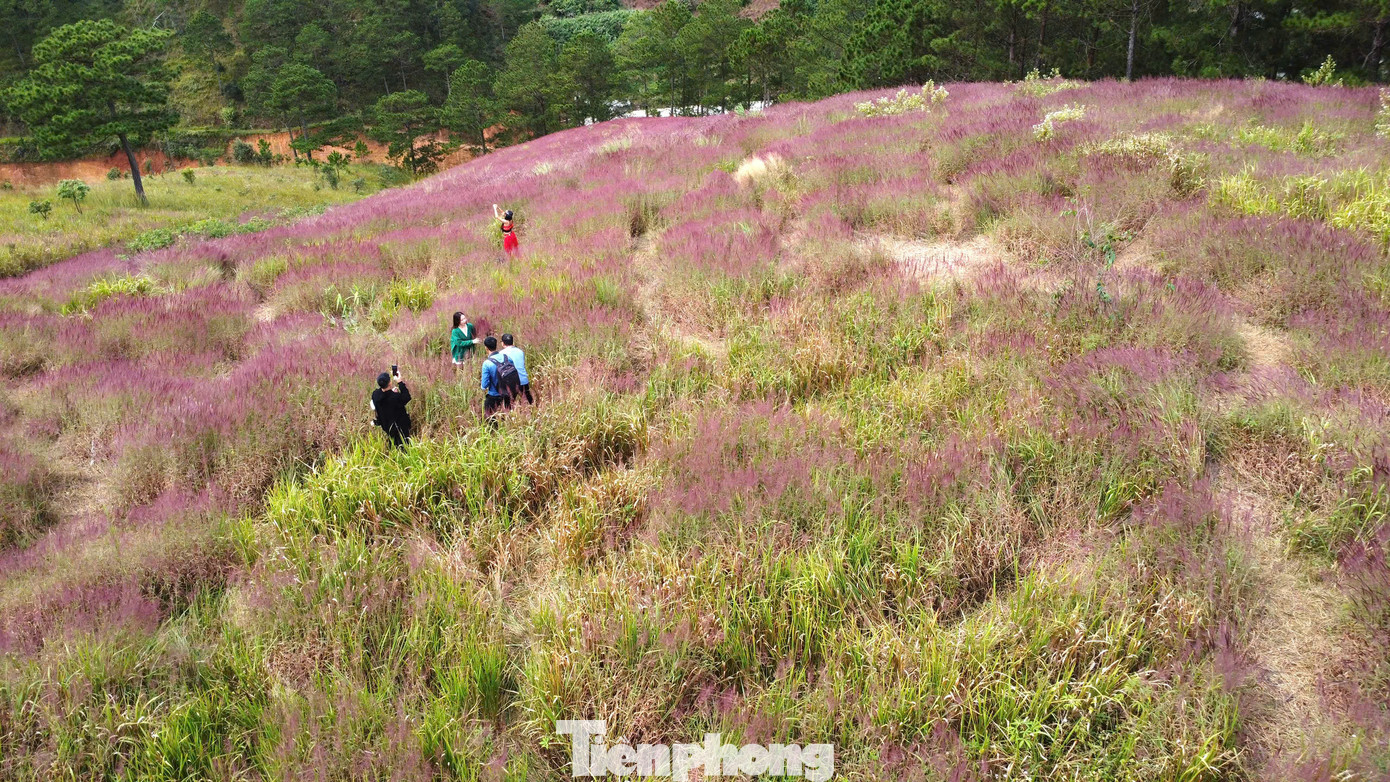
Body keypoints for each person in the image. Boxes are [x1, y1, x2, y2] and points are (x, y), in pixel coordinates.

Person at [479, 336, 518, 428]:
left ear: (486, 348)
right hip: (509, 392)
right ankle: (508, 428)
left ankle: (494, 431)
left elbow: (484, 385)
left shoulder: (487, 363)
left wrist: (483, 388)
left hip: (494, 394)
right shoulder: (507, 357)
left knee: (489, 415)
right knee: (507, 414)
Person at [371, 368, 412, 449]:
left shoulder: (375, 395)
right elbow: (407, 397)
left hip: (387, 426)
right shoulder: (395, 398)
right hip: (400, 427)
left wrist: (392, 392)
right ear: (390, 383)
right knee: (404, 446)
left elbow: (385, 396)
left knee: (393, 444)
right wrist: (400, 382)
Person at [499, 333, 533, 404]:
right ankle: (533, 409)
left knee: (509, 403)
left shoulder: (501, 353)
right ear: (512, 342)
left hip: (511, 381)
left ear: (503, 343)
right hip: (523, 379)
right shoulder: (520, 351)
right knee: (528, 399)